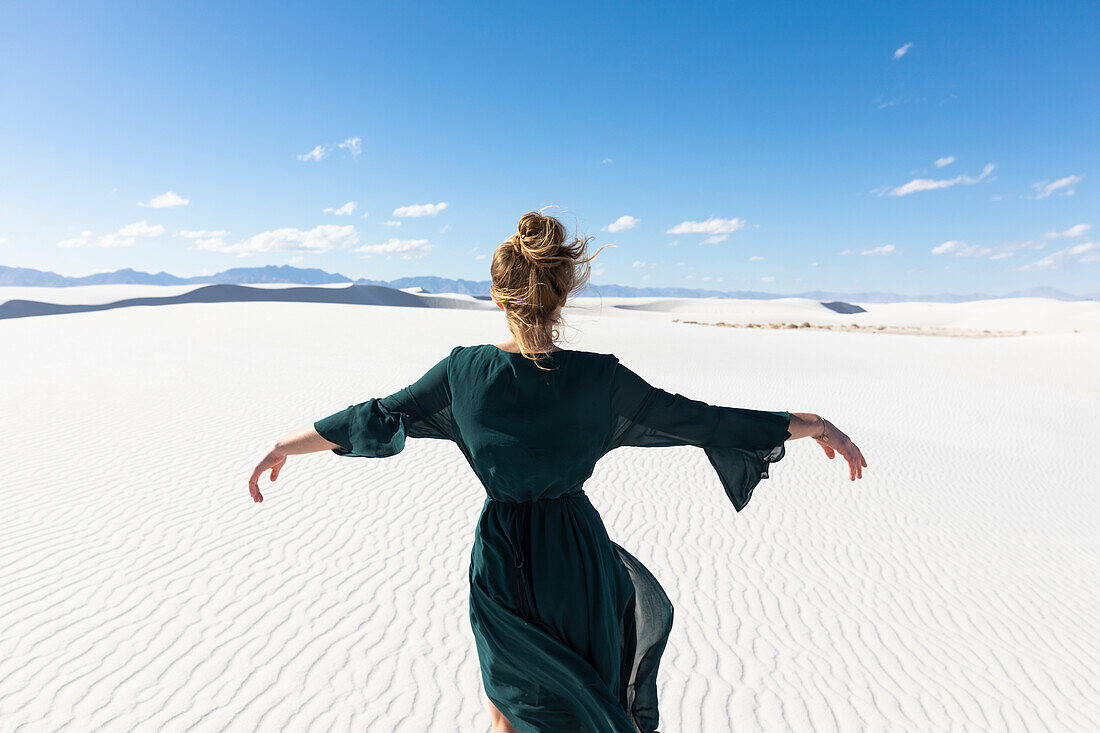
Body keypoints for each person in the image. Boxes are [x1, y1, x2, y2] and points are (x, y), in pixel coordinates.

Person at [248, 210, 868, 733]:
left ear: (497, 294)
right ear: (564, 293)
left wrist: (284, 445)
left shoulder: (463, 373)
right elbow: (703, 421)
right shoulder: (601, 380)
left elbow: (373, 417)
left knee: (509, 709)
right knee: (582, 700)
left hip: (503, 556)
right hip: (576, 557)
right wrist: (811, 422)